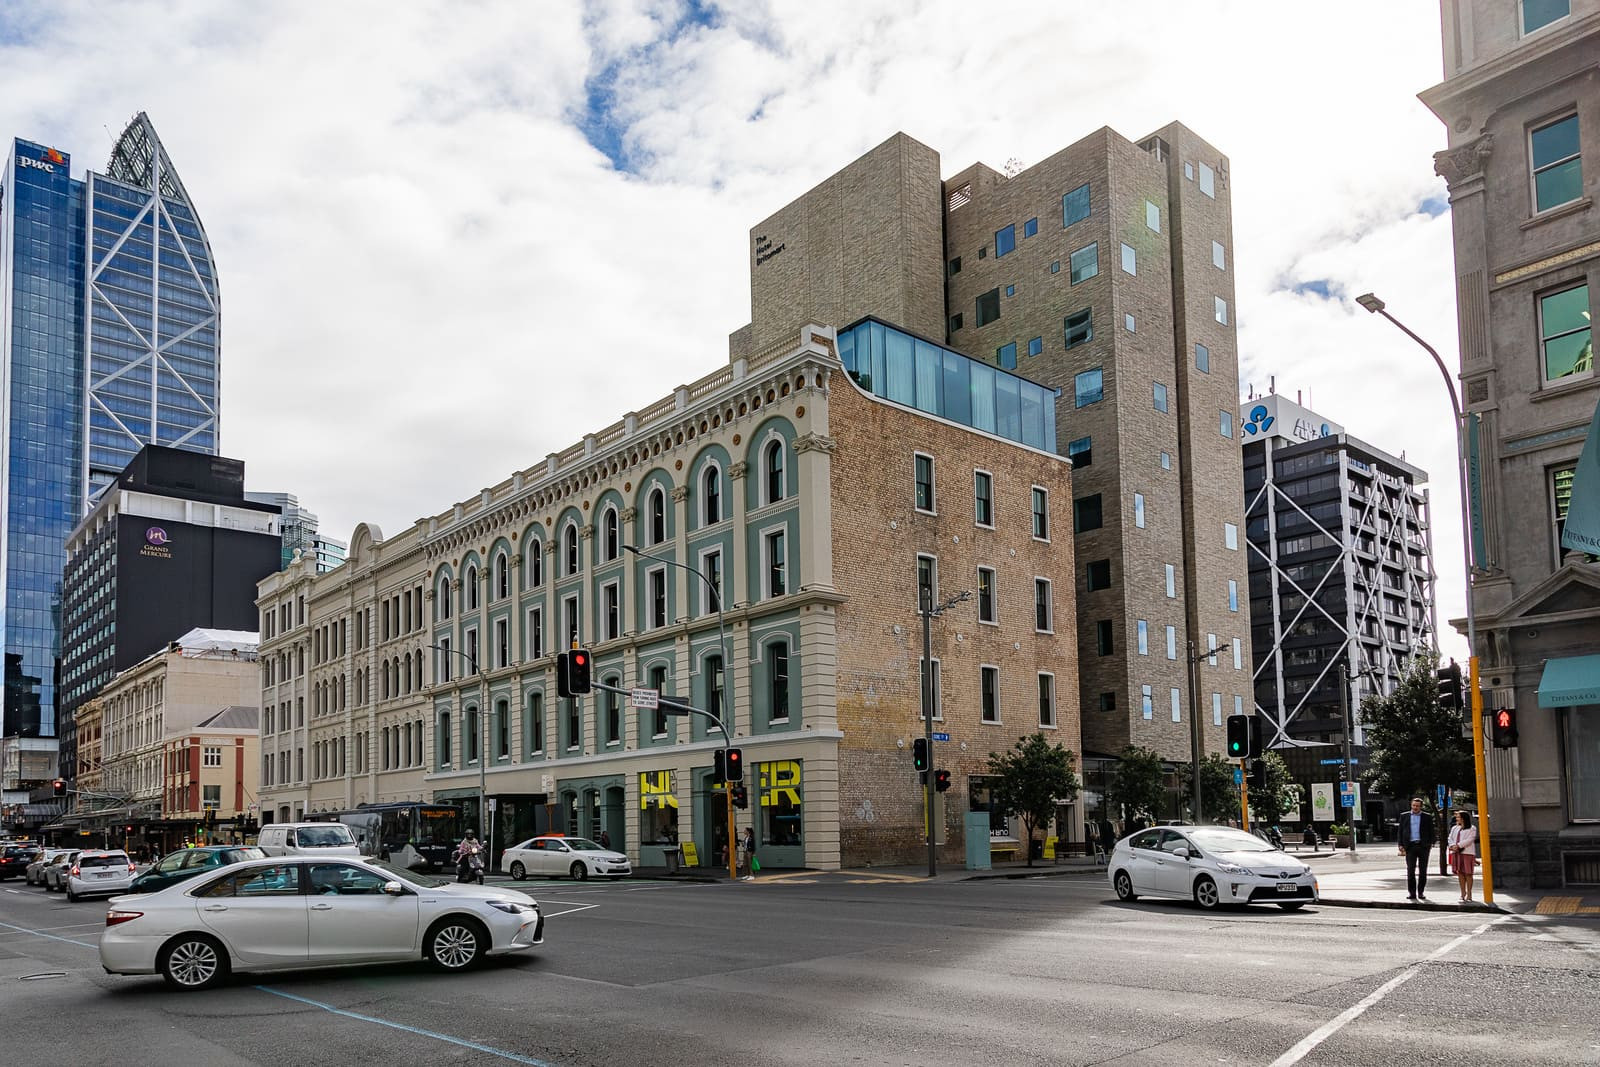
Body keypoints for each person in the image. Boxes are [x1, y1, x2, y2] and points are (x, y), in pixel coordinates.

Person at [1396, 796, 1434, 902]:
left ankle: (1421, 892)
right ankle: (1412, 893)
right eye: (1413, 805)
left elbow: (1431, 831)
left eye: (1417, 806)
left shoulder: (1427, 817)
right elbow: (1400, 831)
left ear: (1421, 807)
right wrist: (1400, 844)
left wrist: (1430, 843)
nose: (1415, 808)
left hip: (1423, 846)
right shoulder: (1404, 816)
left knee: (1423, 870)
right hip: (1410, 846)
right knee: (1410, 870)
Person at [1448, 810, 1478, 903]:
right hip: (1457, 853)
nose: (1457, 819)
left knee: (1468, 873)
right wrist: (1453, 845)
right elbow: (1450, 838)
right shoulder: (1454, 828)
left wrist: (1459, 845)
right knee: (1460, 873)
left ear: (1463, 818)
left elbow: (1470, 839)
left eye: (1458, 817)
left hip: (1467, 852)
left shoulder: (1472, 828)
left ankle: (1469, 893)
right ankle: (1462, 893)